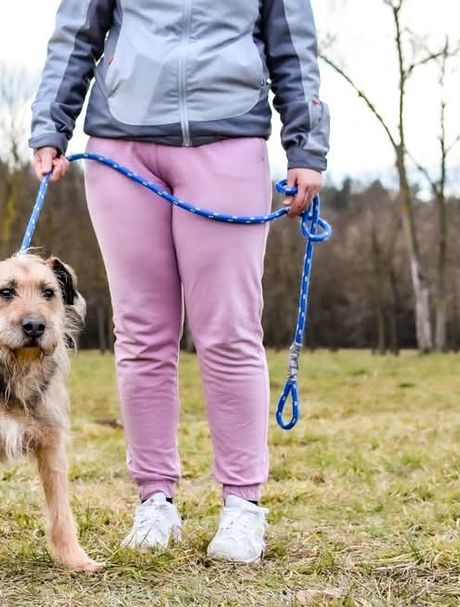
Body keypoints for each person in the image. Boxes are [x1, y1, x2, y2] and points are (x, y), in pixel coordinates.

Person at [29, 0, 329, 563]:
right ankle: (155, 500)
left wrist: (305, 146)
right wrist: (50, 126)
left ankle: (242, 506)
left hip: (228, 141)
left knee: (230, 330)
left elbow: (294, 49)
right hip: (122, 145)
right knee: (141, 331)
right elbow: (76, 34)